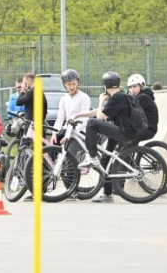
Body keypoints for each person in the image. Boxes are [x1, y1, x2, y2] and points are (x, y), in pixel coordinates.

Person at [75, 72, 138, 203]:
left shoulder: (116, 97)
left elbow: (99, 117)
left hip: (124, 132)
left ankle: (91, 156)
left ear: (105, 85)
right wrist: (78, 116)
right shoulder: (118, 96)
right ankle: (108, 194)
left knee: (92, 124)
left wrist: (100, 101)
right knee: (105, 162)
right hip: (122, 132)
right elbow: (100, 112)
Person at [50, 69, 91, 158]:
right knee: (51, 149)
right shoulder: (63, 99)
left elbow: (84, 120)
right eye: (69, 84)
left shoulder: (84, 97)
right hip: (66, 130)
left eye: (73, 84)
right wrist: (54, 134)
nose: (71, 87)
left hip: (79, 132)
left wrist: (70, 135)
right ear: (64, 85)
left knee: (70, 156)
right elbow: (60, 119)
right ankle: (51, 170)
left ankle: (71, 172)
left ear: (78, 83)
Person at [127, 74, 159, 142]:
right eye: (130, 87)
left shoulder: (143, 97)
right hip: (142, 127)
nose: (132, 89)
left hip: (147, 129)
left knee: (125, 146)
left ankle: (125, 152)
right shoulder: (139, 97)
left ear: (141, 86)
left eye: (135, 86)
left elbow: (128, 110)